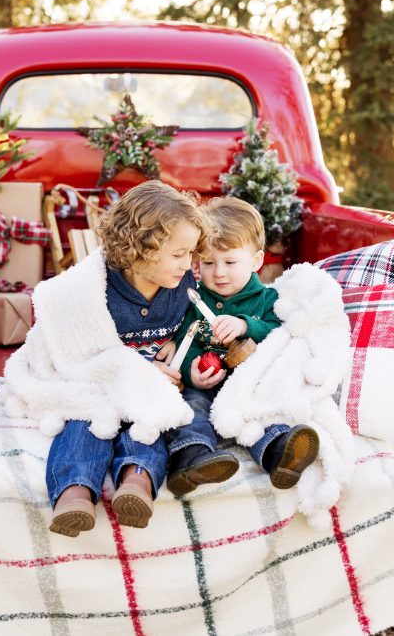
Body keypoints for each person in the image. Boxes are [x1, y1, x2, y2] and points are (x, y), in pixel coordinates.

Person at [42, 181, 210, 537]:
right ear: (141, 248)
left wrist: (180, 359)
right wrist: (140, 373)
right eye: (178, 254)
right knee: (83, 421)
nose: (187, 264)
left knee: (151, 427)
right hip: (100, 387)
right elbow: (75, 349)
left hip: (146, 394)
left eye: (191, 254)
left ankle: (138, 481)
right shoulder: (95, 288)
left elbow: (198, 328)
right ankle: (75, 492)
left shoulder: (183, 287)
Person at [164, 196, 319, 495]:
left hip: (250, 388)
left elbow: (281, 333)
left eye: (230, 262)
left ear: (256, 261)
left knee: (262, 417)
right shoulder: (197, 300)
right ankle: (191, 458)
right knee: (192, 407)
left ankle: (280, 454)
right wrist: (191, 369)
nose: (218, 272)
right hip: (207, 387)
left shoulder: (267, 300)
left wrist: (247, 325)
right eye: (208, 263)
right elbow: (186, 340)